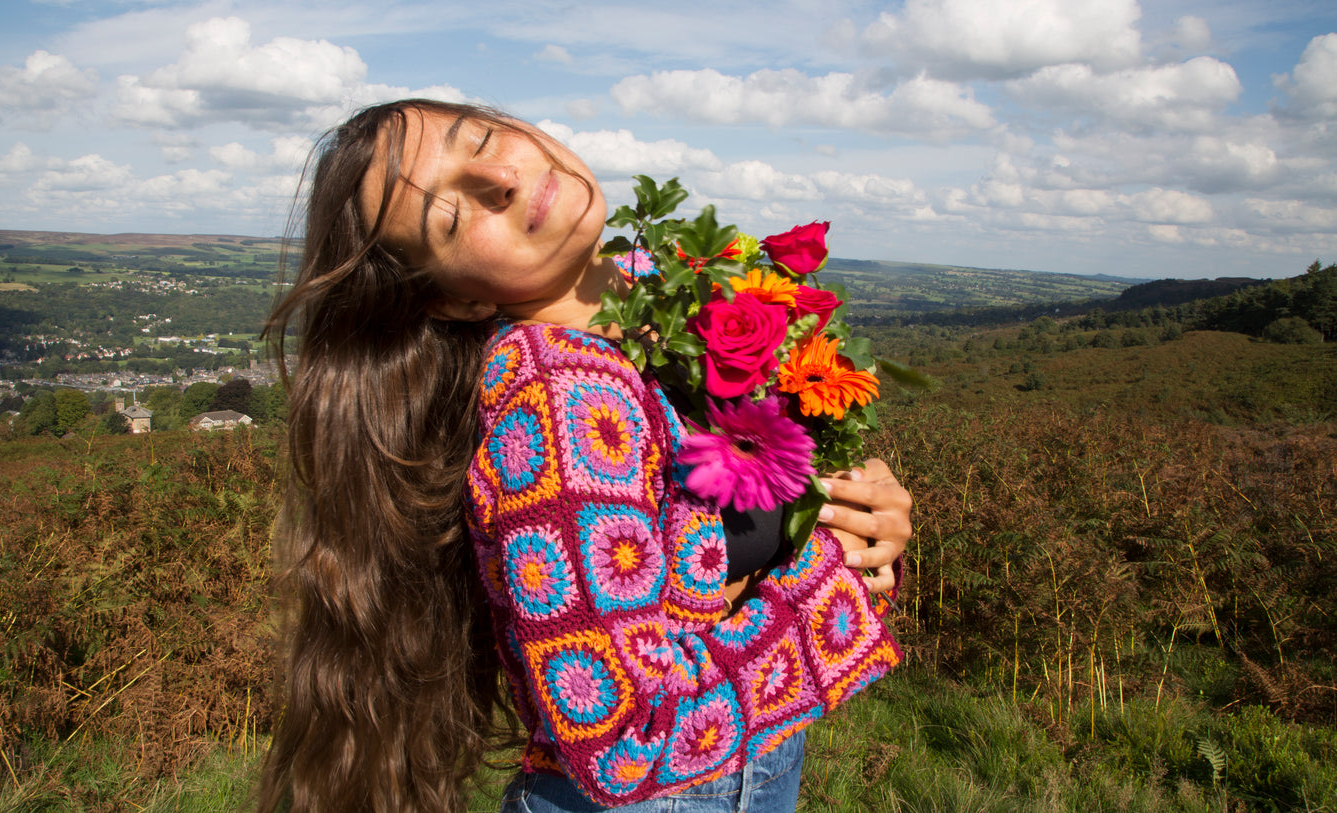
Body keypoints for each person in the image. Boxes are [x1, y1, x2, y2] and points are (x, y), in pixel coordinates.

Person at [258, 99, 912, 813]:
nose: (496, 176)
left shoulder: (659, 307)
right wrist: (831, 580)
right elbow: (623, 738)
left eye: (479, 136)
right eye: (449, 218)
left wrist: (853, 511)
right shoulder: (558, 393)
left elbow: (723, 542)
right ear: (455, 301)